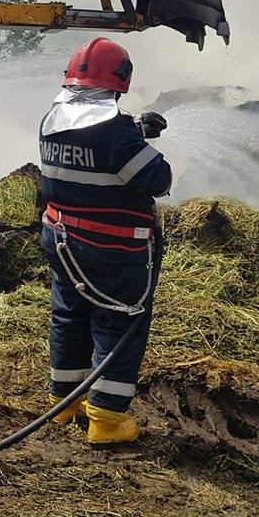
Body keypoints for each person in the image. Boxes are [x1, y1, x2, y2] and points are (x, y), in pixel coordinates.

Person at [38, 37, 171, 445]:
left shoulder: (51, 117)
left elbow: (89, 141)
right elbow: (158, 179)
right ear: (119, 82)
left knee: (69, 315)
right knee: (119, 322)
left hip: (61, 240)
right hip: (111, 249)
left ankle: (65, 402)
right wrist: (136, 138)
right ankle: (106, 421)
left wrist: (131, 129)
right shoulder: (116, 134)